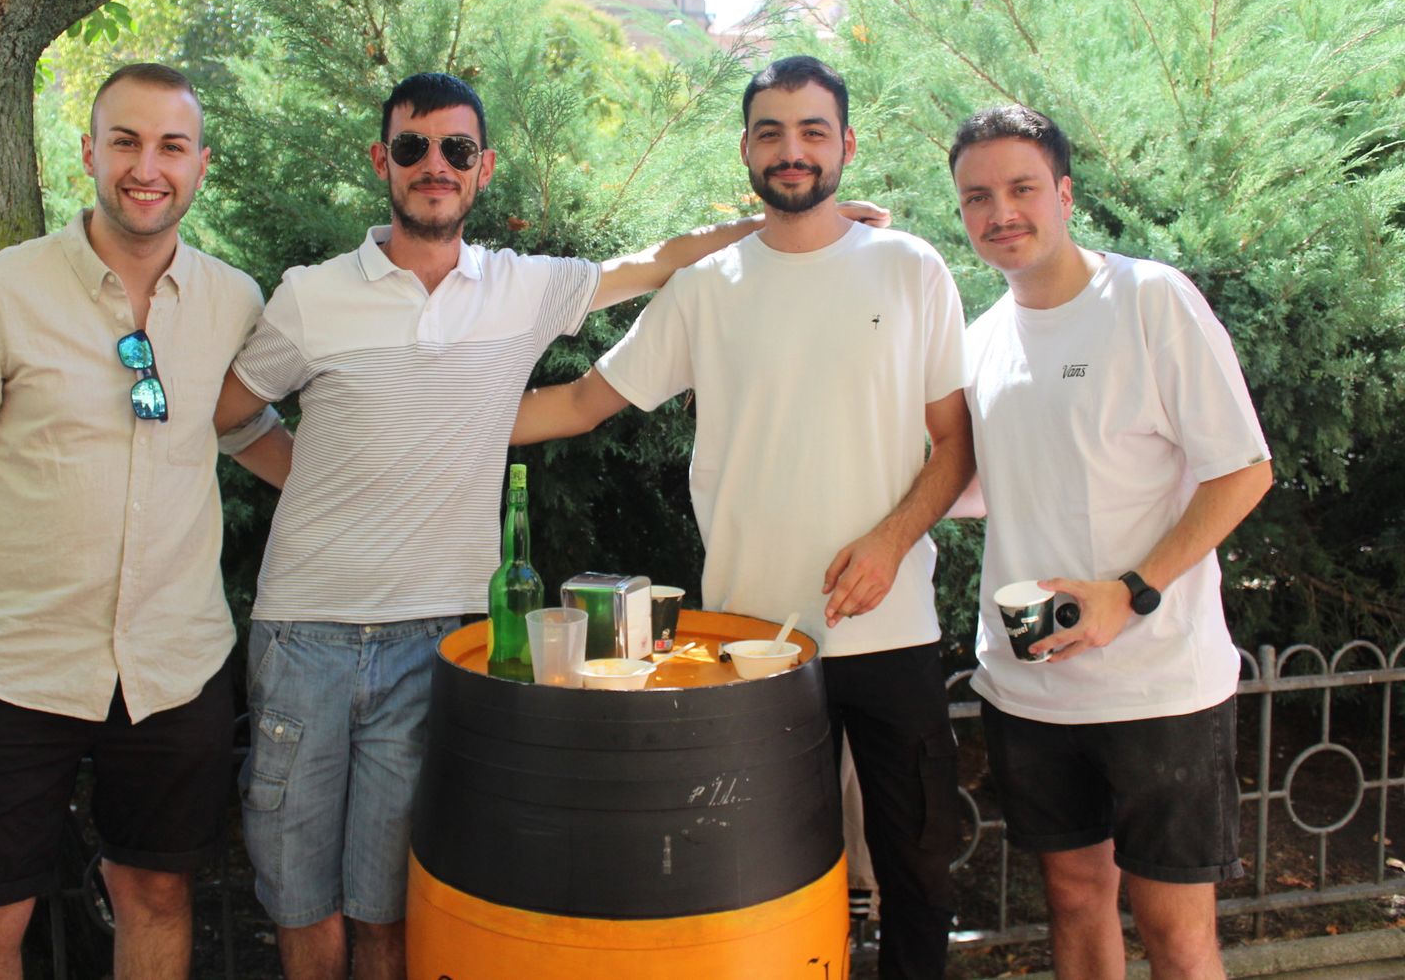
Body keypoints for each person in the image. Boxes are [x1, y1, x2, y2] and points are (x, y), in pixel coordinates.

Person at [210, 70, 887, 980]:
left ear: (482, 167)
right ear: (384, 161)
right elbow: (230, 414)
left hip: (442, 638)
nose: (434, 166)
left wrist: (787, 227)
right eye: (412, 147)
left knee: (386, 905)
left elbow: (650, 264)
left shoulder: (520, 288)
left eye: (456, 149)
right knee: (301, 905)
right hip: (304, 632)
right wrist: (312, 478)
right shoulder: (310, 295)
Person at [511, 55, 972, 980]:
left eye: (812, 131)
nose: (791, 150)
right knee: (761, 880)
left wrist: (890, 540)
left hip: (891, 630)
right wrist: (426, 415)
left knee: (916, 870)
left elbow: (957, 444)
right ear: (747, 150)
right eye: (771, 131)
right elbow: (578, 405)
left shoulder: (912, 267)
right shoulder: (706, 286)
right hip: (751, 641)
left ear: (846, 143)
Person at [0, 63, 280, 980]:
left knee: (156, 897)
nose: (146, 166)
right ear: (89, 151)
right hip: (13, 667)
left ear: (200, 163)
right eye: (125, 140)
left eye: (171, 145)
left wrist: (374, 490)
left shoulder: (234, 300)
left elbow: (245, 429)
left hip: (172, 665)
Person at [948, 104, 1273, 980]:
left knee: (1176, 933)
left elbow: (1242, 470)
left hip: (1159, 684)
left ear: (1064, 193)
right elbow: (969, 487)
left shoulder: (1149, 299)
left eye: (1021, 188)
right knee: (1075, 901)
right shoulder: (978, 343)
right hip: (1030, 688)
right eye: (978, 197)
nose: (1001, 212)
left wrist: (1125, 592)